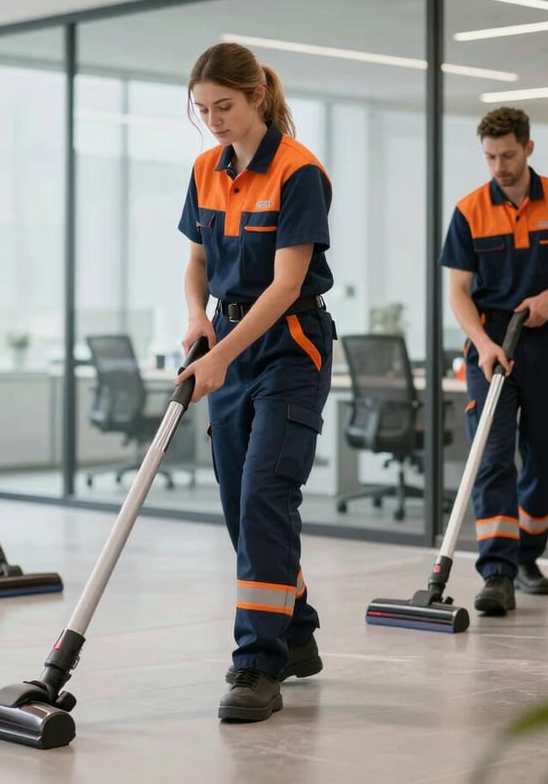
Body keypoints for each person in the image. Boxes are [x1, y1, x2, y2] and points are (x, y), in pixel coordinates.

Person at [175, 42, 335, 722]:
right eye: (202, 109)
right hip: (229, 344)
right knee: (240, 504)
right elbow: (197, 262)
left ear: (257, 98)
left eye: (225, 106)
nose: (213, 119)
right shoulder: (206, 168)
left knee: (267, 493)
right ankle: (294, 633)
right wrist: (196, 321)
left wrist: (223, 354)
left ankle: (257, 666)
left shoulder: (299, 171)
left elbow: (285, 284)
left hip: (290, 347)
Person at [440, 106, 548, 615]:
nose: (499, 166)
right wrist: (482, 342)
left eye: (507, 155)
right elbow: (458, 291)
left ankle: (528, 556)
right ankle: (497, 572)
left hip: (547, 342)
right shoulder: (468, 210)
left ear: (528, 148)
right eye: (489, 157)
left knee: (544, 458)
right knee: (493, 455)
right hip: (491, 349)